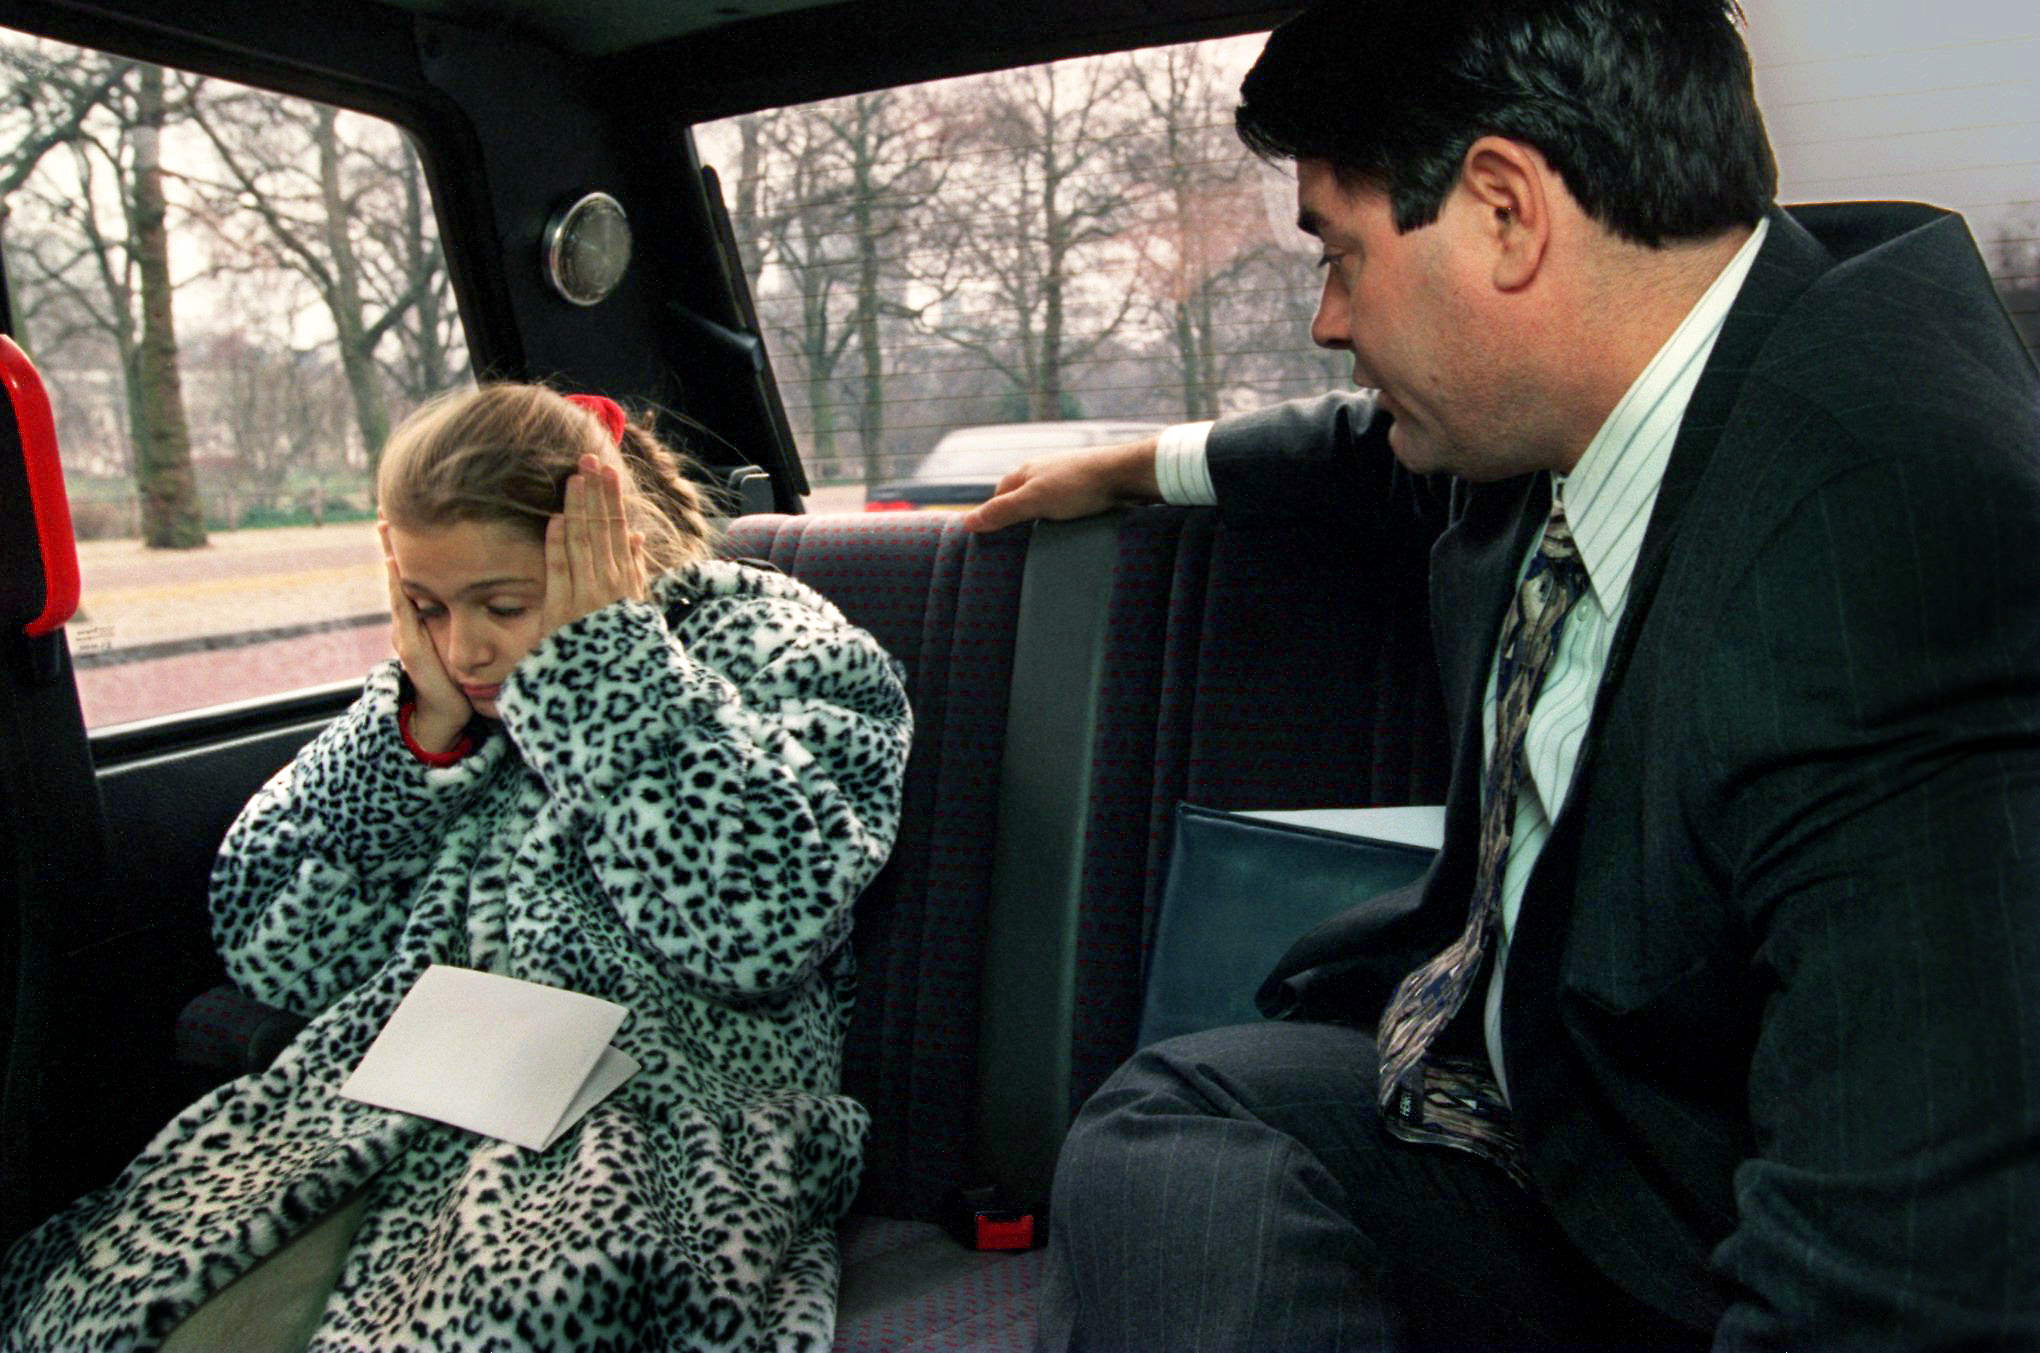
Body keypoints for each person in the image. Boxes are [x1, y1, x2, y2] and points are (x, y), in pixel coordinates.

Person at [969, 1, 2040, 1348]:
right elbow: (1363, 446)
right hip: (1533, 1093)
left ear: (1505, 213)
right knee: (1172, 1119)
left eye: (1342, 255)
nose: (1326, 319)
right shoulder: (1605, 389)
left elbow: (1905, 1285)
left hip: (1688, 1227)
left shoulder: (1897, 559)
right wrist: (1137, 465)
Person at [0, 384, 913, 1350]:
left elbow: (758, 928)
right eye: (427, 607)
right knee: (104, 1310)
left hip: (662, 1118)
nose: (466, 647)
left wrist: (605, 673)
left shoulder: (785, 653)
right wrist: (411, 746)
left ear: (617, 553)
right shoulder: (442, 695)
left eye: (504, 605)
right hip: (413, 1096)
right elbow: (275, 951)